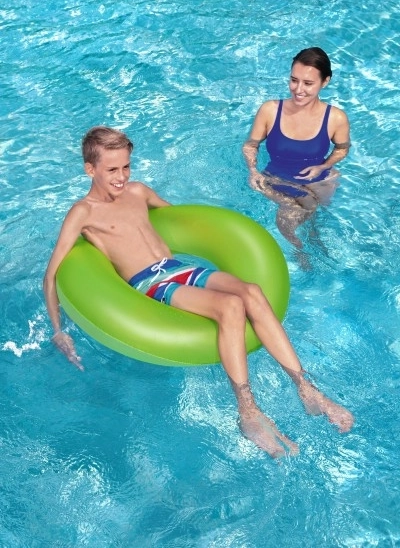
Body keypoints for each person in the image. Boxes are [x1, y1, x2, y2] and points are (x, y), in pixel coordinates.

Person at [43, 126, 354, 458]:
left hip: (178, 268)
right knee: (230, 307)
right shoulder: (83, 212)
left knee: (251, 291)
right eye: (111, 170)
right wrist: (58, 329)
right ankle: (248, 411)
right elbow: (51, 274)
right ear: (90, 169)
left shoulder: (138, 191)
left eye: (126, 167)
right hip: (152, 282)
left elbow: (183, 223)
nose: (121, 177)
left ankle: (306, 388)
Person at [242, 47, 351, 249]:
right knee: (290, 224)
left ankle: (314, 245)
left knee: (314, 221)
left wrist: (323, 166)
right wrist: (253, 170)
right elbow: (251, 145)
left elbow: (342, 149)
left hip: (318, 180)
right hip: (275, 178)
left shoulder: (335, 118)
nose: (298, 89)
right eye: (294, 80)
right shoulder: (270, 110)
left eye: (308, 83)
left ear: (325, 81)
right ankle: (300, 254)